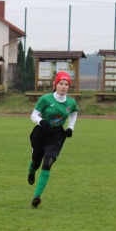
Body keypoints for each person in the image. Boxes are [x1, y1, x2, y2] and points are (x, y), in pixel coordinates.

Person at [27, 71, 78, 208]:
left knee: (47, 163)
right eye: (61, 83)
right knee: (36, 163)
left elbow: (74, 113)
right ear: (56, 84)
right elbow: (34, 115)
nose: (63, 87)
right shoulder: (45, 99)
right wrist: (41, 122)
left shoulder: (71, 102)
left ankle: (37, 196)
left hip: (57, 136)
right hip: (41, 134)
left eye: (66, 84)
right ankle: (32, 171)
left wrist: (70, 128)